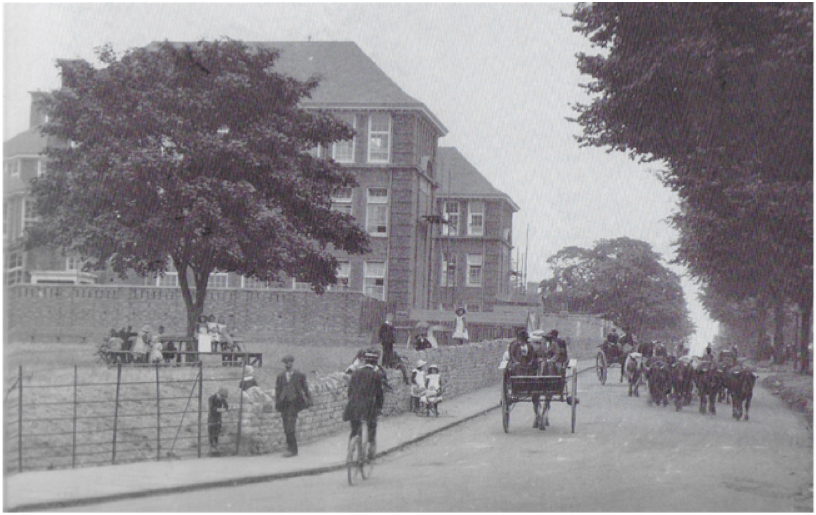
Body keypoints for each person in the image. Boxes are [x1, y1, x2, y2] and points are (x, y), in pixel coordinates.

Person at [343, 349, 385, 460]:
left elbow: (350, 391)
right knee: (372, 425)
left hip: (353, 404)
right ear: (375, 362)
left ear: (365, 361)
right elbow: (379, 395)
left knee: (355, 428)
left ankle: (351, 449)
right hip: (368, 406)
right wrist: (379, 408)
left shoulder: (356, 373)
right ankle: (371, 446)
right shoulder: (376, 375)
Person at [275, 355, 313, 457]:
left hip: (294, 402)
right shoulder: (280, 376)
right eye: (285, 363)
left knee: (290, 427)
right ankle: (289, 447)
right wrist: (277, 402)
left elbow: (305, 388)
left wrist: (309, 400)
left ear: (292, 363)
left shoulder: (299, 375)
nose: (287, 364)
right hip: (284, 403)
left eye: (288, 362)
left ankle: (293, 450)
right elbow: (277, 390)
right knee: (285, 425)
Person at [207, 387, 229, 454]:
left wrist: (225, 409)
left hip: (218, 417)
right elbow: (211, 408)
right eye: (221, 397)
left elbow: (226, 407)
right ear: (218, 394)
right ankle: (211, 446)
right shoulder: (211, 398)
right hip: (212, 417)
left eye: (223, 397)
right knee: (211, 431)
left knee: (217, 431)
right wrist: (219, 409)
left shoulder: (222, 399)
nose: (222, 398)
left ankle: (216, 446)